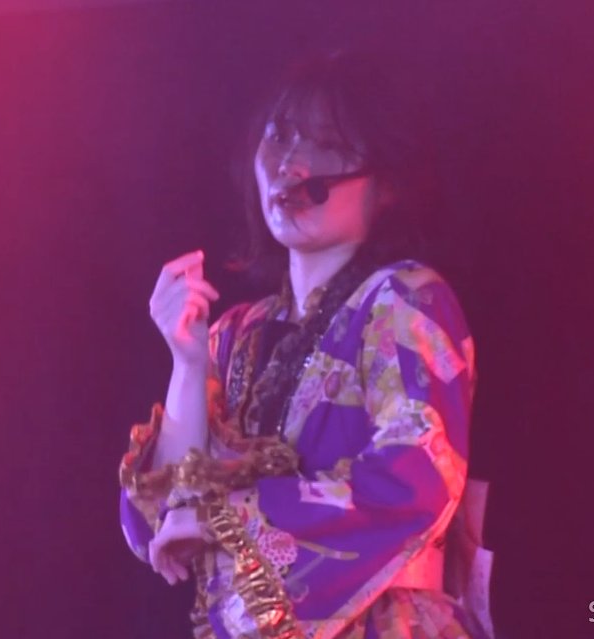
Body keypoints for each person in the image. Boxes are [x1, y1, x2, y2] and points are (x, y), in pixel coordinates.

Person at [117, 50, 493, 639]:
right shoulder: (236, 334)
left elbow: (416, 478)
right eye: (280, 137)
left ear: (387, 184)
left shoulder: (404, 301)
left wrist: (233, 516)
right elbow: (162, 520)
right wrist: (186, 364)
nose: (292, 164)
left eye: (328, 145)